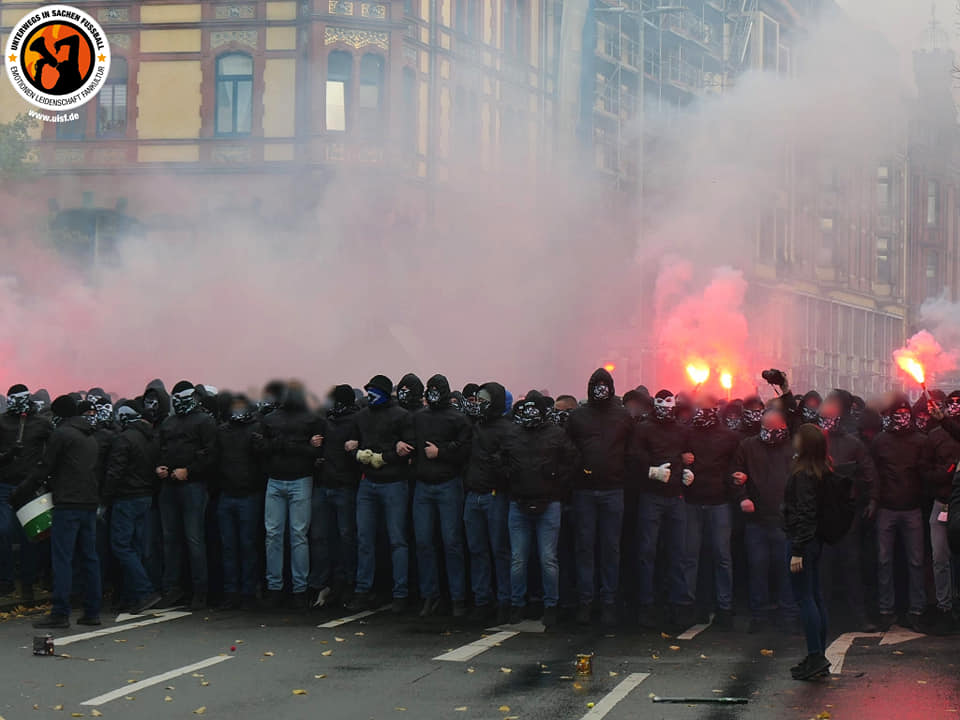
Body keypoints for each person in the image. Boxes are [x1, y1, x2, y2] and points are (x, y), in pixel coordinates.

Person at [18, 396, 101, 629]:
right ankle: (92, 611)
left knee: (62, 558)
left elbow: (45, 467)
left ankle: (60, 612)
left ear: (59, 414)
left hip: (67, 503)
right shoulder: (90, 436)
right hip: (89, 503)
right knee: (90, 558)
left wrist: (21, 492)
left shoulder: (62, 434)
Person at [565, 368, 632, 627]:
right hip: (585, 491)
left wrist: (621, 473)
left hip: (613, 489)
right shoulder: (578, 416)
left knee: (610, 549)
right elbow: (567, 448)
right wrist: (579, 468)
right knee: (585, 548)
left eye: (605, 384)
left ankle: (608, 603)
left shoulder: (623, 416)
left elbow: (631, 450)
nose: (601, 388)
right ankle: (586, 602)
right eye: (597, 384)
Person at [507, 394, 578, 627]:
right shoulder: (514, 433)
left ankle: (550, 606)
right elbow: (501, 460)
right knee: (519, 559)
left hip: (549, 503)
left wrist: (555, 483)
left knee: (547, 558)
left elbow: (572, 461)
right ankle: (517, 604)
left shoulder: (556, 434)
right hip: (519, 502)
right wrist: (511, 478)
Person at [346, 375, 415, 613]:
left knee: (397, 540)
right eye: (369, 391)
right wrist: (355, 453)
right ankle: (363, 590)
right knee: (365, 539)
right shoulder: (361, 416)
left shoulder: (402, 416)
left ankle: (400, 593)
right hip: (368, 483)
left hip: (394, 483)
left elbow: (409, 448)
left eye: (374, 391)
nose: (371, 395)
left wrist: (385, 457)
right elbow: (351, 444)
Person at [630, 389, 694, 632]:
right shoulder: (643, 429)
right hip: (652, 496)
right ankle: (647, 606)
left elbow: (687, 456)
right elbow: (634, 458)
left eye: (669, 406)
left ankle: (678, 606)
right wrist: (650, 471)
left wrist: (687, 472)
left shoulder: (681, 430)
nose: (665, 410)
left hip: (675, 496)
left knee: (678, 553)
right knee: (647, 553)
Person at [259, 382, 325, 610]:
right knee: (293, 536)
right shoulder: (309, 419)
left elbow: (263, 447)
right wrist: (300, 446)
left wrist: (281, 445)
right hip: (293, 479)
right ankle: (294, 589)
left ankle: (282, 588)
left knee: (280, 535)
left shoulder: (272, 419)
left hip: (286, 479)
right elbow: (262, 447)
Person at [817, 394, 879, 632]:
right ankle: (823, 618)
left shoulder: (853, 443)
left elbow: (869, 472)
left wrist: (873, 499)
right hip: (822, 514)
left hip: (846, 514)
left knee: (851, 568)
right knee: (823, 570)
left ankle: (859, 617)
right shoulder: (813, 443)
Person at [732, 408, 798, 632]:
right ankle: (759, 616)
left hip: (784, 521)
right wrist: (743, 497)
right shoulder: (748, 446)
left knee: (786, 571)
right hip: (757, 520)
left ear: (784, 428)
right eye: (765, 429)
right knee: (757, 569)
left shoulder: (793, 448)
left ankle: (788, 616)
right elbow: (735, 474)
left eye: (773, 429)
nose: (769, 434)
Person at [411, 374, 471, 618]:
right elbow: (411, 443)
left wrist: (441, 452)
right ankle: (430, 595)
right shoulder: (418, 418)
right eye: (430, 389)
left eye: (437, 389)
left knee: (452, 543)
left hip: (448, 485)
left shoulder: (458, 418)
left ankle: (457, 597)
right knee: (423, 543)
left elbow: (465, 450)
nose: (433, 392)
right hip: (423, 486)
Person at [156, 381, 218, 610]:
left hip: (193, 486)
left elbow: (212, 455)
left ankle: (200, 591)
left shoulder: (205, 421)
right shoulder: (169, 422)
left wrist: (190, 471)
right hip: (169, 486)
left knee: (194, 539)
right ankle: (172, 589)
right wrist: (159, 467)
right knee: (170, 540)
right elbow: (160, 450)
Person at [871, 396, 927, 631]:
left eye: (905, 413)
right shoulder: (881, 441)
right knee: (884, 561)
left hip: (912, 508)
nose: (902, 417)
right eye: (898, 413)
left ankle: (917, 610)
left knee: (916, 562)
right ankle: (887, 610)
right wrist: (875, 500)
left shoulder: (920, 441)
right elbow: (873, 473)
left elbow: (924, 473)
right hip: (887, 508)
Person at [684, 393, 740, 629]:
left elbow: (735, 465)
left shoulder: (728, 437)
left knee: (721, 556)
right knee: (692, 556)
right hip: (693, 501)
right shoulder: (687, 433)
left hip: (719, 502)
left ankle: (723, 608)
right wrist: (682, 459)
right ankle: (693, 605)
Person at [462, 382, 515, 624]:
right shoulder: (475, 426)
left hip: (495, 496)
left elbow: (511, 465)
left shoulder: (507, 429)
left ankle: (505, 602)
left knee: (500, 550)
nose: (479, 403)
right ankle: (482, 600)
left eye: (484, 399)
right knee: (477, 550)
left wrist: (497, 466)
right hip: (474, 494)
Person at [103, 400, 162, 615]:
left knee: (121, 547)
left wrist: (105, 498)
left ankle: (144, 591)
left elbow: (115, 472)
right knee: (135, 548)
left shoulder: (124, 439)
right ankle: (132, 597)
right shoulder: (151, 438)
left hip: (126, 498)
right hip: (145, 497)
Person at [784, 424, 831, 681]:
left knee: (805, 598)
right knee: (815, 596)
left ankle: (815, 655)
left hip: (802, 542)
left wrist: (797, 550)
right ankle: (818, 654)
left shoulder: (803, 474)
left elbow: (806, 512)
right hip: (816, 541)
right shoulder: (822, 469)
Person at [309, 385, 361, 609]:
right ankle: (323, 583)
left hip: (344, 486)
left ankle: (346, 583)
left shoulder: (355, 421)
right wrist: (314, 448)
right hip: (325, 484)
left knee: (345, 537)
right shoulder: (325, 421)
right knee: (321, 537)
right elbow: (316, 451)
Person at [0, 384, 52, 602]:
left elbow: (54, 449)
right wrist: (8, 455)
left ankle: (28, 582)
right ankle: (6, 580)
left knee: (31, 535)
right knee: (3, 531)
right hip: (5, 485)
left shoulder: (41, 423)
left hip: (30, 487)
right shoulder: (1, 422)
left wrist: (44, 474)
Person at [216, 394, 264, 611]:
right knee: (229, 547)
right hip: (227, 494)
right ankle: (231, 592)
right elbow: (215, 459)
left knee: (247, 546)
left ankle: (248, 593)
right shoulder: (222, 431)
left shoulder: (257, 428)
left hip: (248, 495)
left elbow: (262, 459)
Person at [922, 391, 959, 634]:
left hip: (958, 504)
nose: (955, 407)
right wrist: (944, 475)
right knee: (940, 558)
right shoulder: (934, 436)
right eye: (952, 403)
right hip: (941, 503)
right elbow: (924, 468)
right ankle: (944, 607)